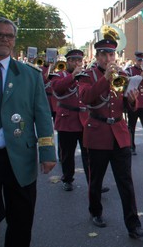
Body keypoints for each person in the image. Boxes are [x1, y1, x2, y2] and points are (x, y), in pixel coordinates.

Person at [78, 39, 143, 239]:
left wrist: (132, 100)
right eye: (104, 55)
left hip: (119, 133)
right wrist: (105, 79)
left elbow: (127, 106)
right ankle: (96, 211)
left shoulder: (124, 75)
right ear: (97, 56)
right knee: (96, 178)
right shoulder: (87, 76)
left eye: (111, 55)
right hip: (97, 132)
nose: (109, 59)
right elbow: (86, 98)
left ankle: (133, 224)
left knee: (126, 182)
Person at [0, 17, 56, 247]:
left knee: (21, 220)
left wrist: (48, 152)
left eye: (8, 35)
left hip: (20, 157)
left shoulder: (30, 76)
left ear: (14, 41)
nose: (3, 39)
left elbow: (42, 116)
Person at [50, 49, 89, 191]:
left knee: (88, 154)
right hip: (67, 120)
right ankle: (67, 178)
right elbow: (58, 89)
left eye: (80, 60)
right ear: (69, 62)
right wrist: (73, 76)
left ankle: (93, 182)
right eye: (75, 61)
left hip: (83, 119)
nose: (78, 63)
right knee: (67, 154)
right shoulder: (59, 75)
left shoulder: (85, 76)